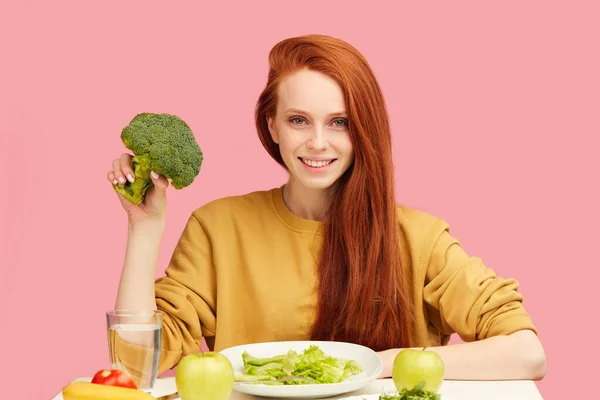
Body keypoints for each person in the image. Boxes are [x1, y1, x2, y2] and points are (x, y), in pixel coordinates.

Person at [107, 34, 546, 381]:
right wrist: (144, 229)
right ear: (272, 125)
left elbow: (527, 354)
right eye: (299, 120)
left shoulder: (418, 237)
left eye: (340, 122)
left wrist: (382, 364)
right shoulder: (218, 227)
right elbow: (134, 364)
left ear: (364, 131)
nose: (318, 142)